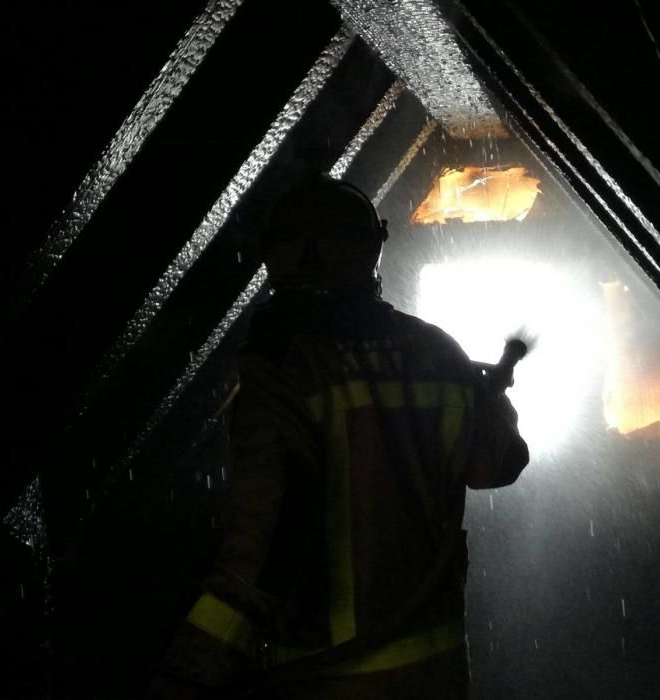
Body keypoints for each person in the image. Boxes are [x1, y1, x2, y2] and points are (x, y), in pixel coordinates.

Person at [150, 175, 529, 699]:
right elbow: (500, 463)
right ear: (371, 248)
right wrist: (491, 400)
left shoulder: (280, 369)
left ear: (276, 256)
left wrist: (189, 671)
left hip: (326, 676)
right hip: (433, 674)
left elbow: (262, 542)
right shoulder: (435, 350)